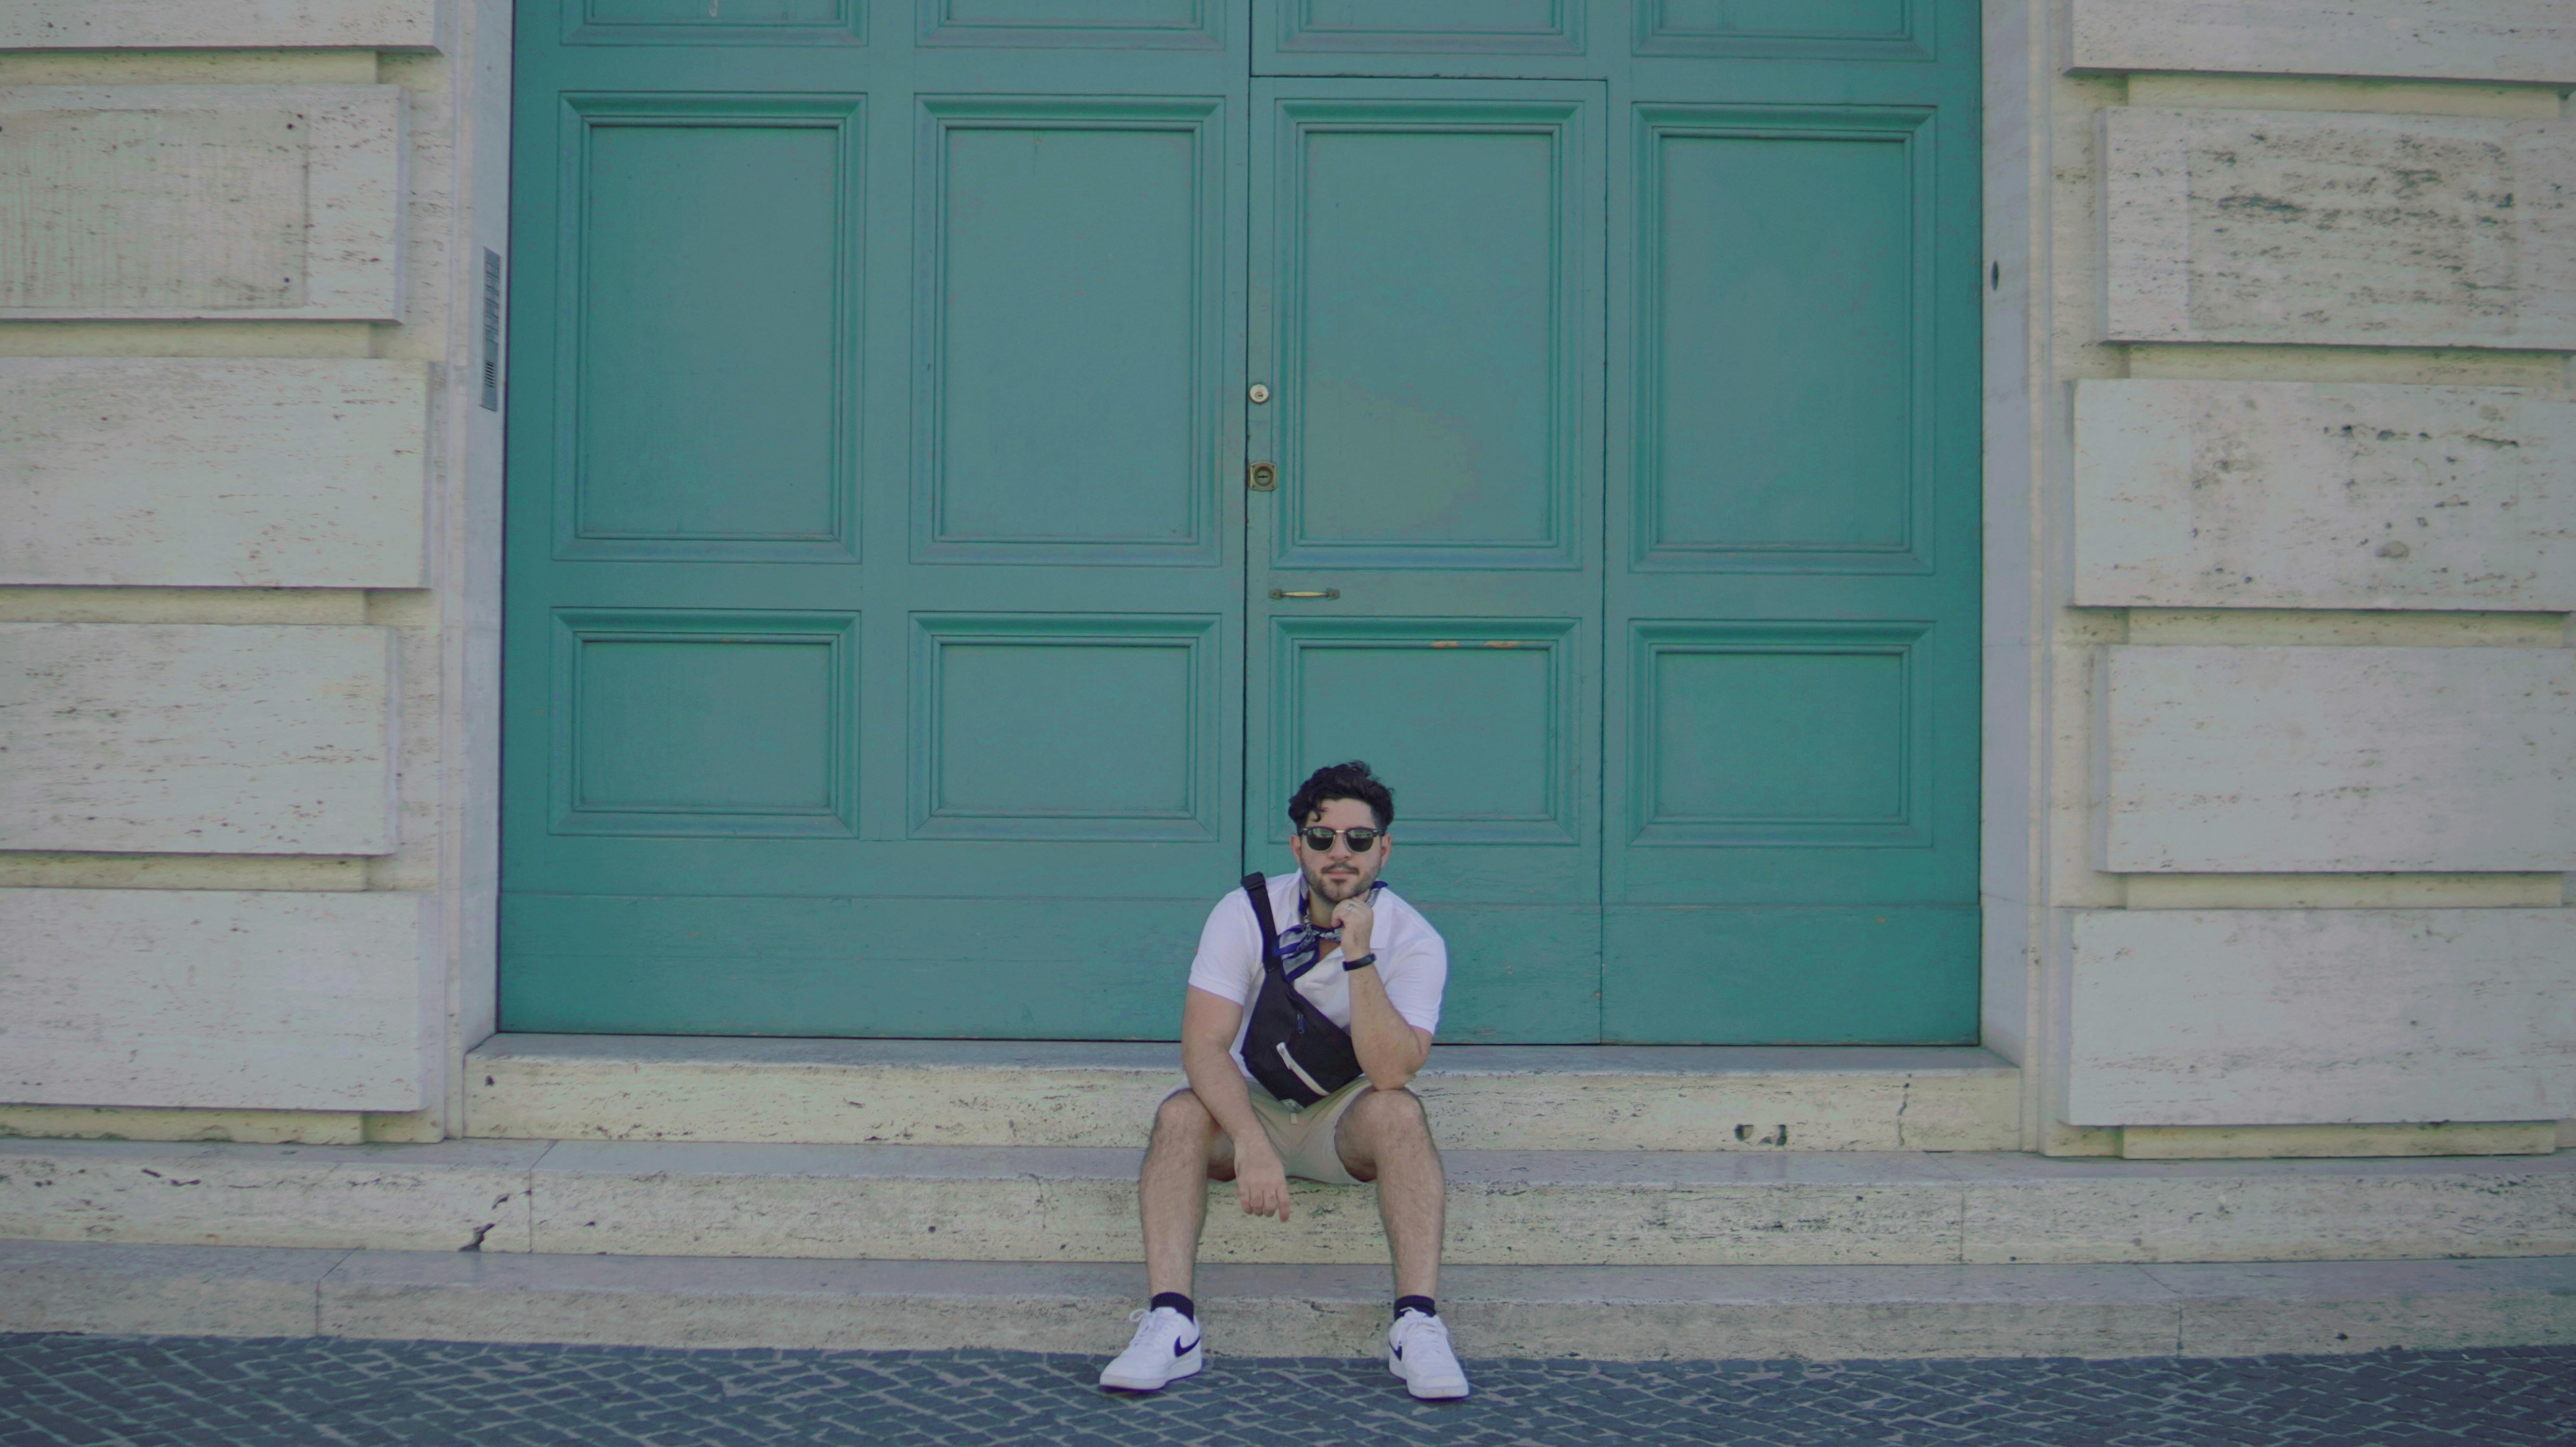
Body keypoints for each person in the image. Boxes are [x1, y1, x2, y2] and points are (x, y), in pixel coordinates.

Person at [1098, 761, 1466, 1400]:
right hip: (1255, 1105)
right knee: (1180, 1115)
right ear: (1298, 845)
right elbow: (1204, 1045)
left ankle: (1417, 1324)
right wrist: (1250, 1139)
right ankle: (1171, 1322)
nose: (1339, 852)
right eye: (1321, 837)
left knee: (1402, 1114)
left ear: (1384, 847)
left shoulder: (1414, 939)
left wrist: (1359, 954)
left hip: (1343, 1116)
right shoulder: (1245, 911)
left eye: (1358, 838)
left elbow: (1390, 1070)